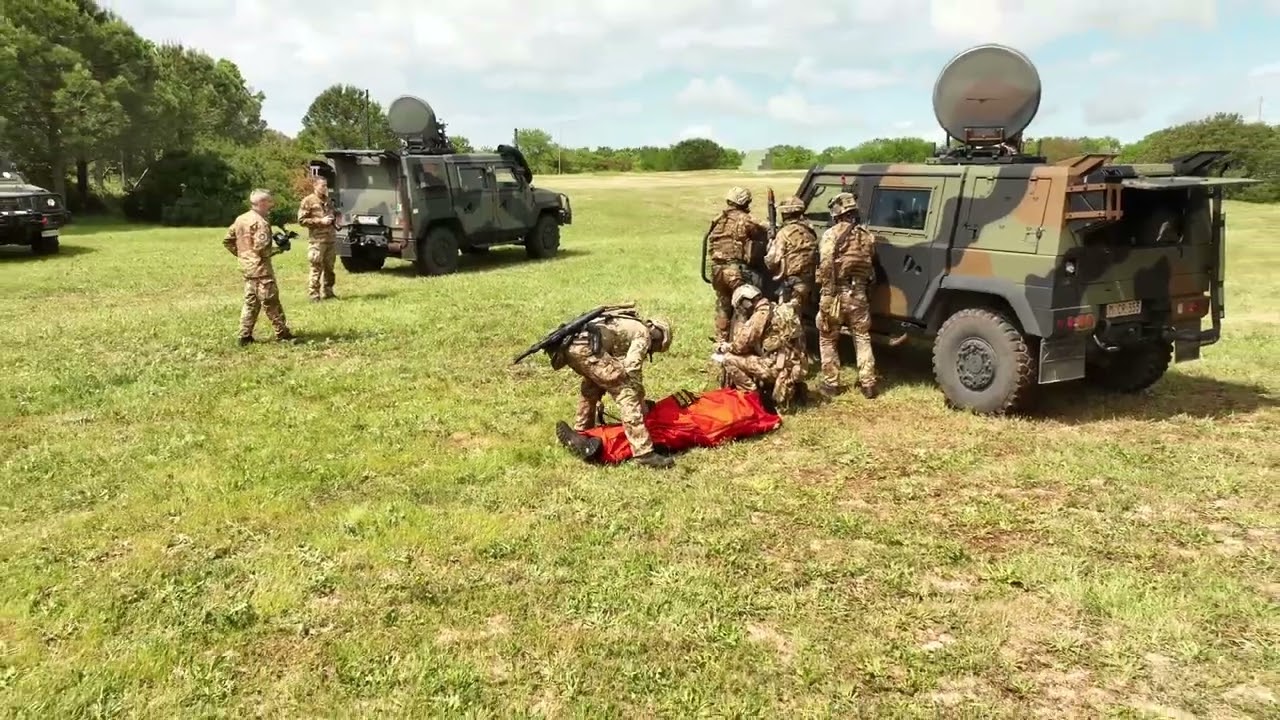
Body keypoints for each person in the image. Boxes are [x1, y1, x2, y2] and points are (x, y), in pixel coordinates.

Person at [549, 308, 675, 468]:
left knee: (592, 385)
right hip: (588, 348)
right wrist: (640, 400)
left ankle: (582, 433)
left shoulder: (626, 322)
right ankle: (644, 452)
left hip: (571, 348)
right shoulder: (644, 334)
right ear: (658, 336)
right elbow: (632, 367)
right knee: (626, 392)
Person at [816, 192, 878, 398]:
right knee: (862, 337)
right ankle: (868, 384)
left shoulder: (831, 234)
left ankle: (831, 384)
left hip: (836, 294)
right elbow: (870, 265)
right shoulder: (867, 235)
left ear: (836, 212)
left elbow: (826, 266)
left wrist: (826, 294)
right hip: (859, 293)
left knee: (827, 337)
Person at [715, 285, 808, 412]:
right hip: (796, 365)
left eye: (741, 306)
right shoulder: (778, 308)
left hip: (778, 368)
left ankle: (752, 396)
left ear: (746, 302)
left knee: (728, 359)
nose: (742, 311)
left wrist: (726, 347)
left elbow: (741, 346)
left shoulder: (761, 314)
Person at [222, 188, 294, 345]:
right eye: (269, 201)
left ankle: (244, 336)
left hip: (247, 269)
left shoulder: (241, 219)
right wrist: (279, 249)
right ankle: (283, 335)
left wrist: (243, 256)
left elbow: (228, 240)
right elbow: (262, 249)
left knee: (251, 302)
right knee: (271, 302)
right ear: (261, 203)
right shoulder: (261, 223)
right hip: (261, 270)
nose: (272, 204)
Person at [705, 186, 768, 343]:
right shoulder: (745, 219)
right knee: (744, 305)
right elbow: (763, 230)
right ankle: (741, 343)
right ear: (745, 202)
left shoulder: (718, 220)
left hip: (716, 271)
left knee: (723, 305)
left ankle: (721, 342)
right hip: (735, 270)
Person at [764, 195, 818, 312]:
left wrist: (770, 243)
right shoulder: (810, 232)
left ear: (785, 214)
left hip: (791, 286)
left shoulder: (784, 233)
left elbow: (772, 261)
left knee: (787, 322)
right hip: (809, 284)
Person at [297, 176, 339, 301]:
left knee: (329, 268)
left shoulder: (328, 200)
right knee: (316, 268)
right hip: (317, 240)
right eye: (322, 186)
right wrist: (320, 221)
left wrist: (334, 220)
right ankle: (314, 295)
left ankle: (329, 292)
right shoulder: (308, 201)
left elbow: (332, 214)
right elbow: (301, 220)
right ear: (315, 186)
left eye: (326, 185)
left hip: (330, 239)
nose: (325, 188)